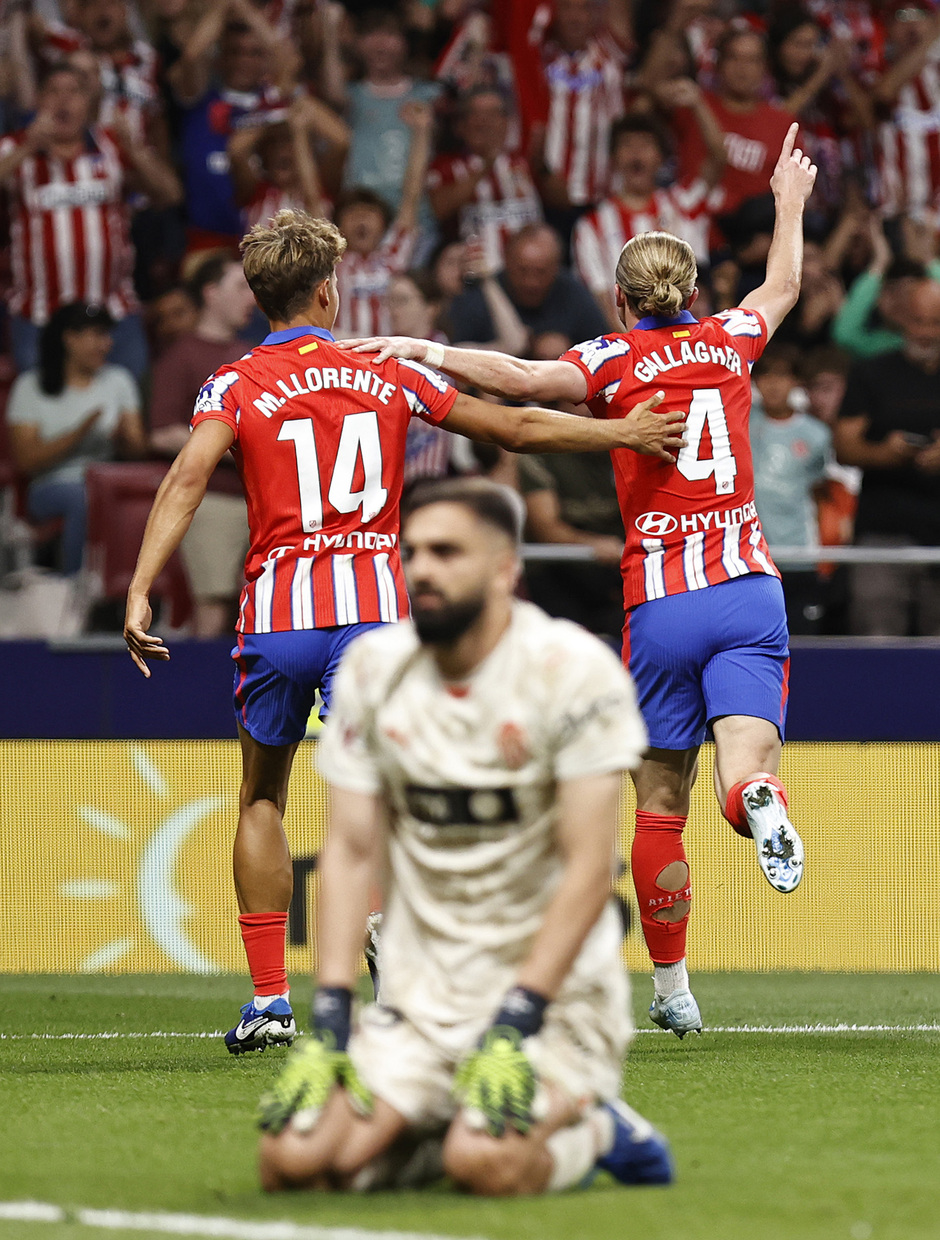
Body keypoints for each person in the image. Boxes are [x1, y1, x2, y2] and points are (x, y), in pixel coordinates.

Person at [122, 207, 686, 1056]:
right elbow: (515, 427)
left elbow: (186, 477)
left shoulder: (234, 383)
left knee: (263, 797)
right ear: (326, 289)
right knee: (393, 790)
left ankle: (272, 1000)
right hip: (373, 614)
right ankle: (393, 931)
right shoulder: (380, 371)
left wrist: (137, 590)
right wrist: (623, 430)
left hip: (278, 613)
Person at [339, 124, 817, 1037]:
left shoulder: (610, 360)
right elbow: (785, 285)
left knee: (660, 803)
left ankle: (675, 992)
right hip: (749, 588)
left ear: (621, 295)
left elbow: (518, 378)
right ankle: (759, 803)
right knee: (747, 761)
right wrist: (788, 203)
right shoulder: (729, 342)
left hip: (664, 603)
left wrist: (425, 348)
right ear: (693, 290)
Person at [255, 476, 672, 1196]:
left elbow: (586, 870)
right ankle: (440, 1127)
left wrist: (516, 1018)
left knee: (488, 1165)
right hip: (422, 1003)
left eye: (447, 552)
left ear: (506, 567)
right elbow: (352, 854)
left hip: (555, 1004)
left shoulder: (572, 671)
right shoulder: (373, 669)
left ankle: (602, 1126)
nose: (422, 569)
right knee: (295, 1164)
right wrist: (330, 1018)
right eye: (411, 551)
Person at [0, 63, 181, 378]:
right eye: (53, 92)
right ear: (39, 102)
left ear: (89, 103)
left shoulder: (111, 146)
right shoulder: (15, 148)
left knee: (126, 413)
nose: (63, 101)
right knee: (42, 420)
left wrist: (135, 150)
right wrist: (29, 144)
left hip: (113, 312)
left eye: (74, 92)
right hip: (39, 314)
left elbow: (170, 194)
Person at [149, 253, 257, 637]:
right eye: (240, 287)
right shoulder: (182, 356)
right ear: (211, 293)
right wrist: (228, 447)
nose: (251, 297)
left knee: (266, 606)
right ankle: (203, 695)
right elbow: (162, 432)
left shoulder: (254, 353)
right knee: (211, 609)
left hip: (262, 500)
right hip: (211, 501)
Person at [833, 278, 940, 636]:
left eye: (935, 322)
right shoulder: (872, 372)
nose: (925, 332)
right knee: (877, 649)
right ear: (901, 320)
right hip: (883, 533)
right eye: (918, 321)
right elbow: (844, 446)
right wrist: (886, 453)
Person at [7, 302, 147, 576]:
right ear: (69, 338)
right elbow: (27, 461)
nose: (106, 345)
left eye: (107, 336)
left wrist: (123, 440)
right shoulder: (30, 386)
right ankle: (76, 587)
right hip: (52, 485)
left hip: (110, 479)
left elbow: (139, 450)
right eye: (97, 335)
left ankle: (135, 590)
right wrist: (81, 431)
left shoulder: (119, 380)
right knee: (83, 497)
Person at [750, 344, 832, 635]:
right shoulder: (740, 421)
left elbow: (822, 492)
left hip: (798, 557)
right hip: (751, 559)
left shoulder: (817, 434)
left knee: (802, 641)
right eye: (766, 376)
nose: (773, 384)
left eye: (782, 376)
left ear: (796, 382)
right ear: (755, 381)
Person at [447, 223, 608, 350]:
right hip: (495, 386)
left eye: (540, 272)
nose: (530, 282)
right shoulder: (480, 295)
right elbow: (456, 360)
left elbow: (604, 352)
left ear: (556, 268)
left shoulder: (573, 293)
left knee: (552, 348)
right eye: (522, 271)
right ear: (507, 262)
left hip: (559, 386)